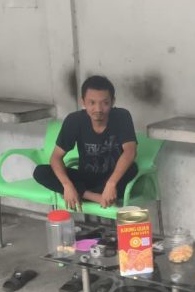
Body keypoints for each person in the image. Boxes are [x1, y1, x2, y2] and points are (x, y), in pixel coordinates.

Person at [33, 75, 138, 210]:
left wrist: (111, 183)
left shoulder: (122, 116)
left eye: (105, 103)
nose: (98, 109)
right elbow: (56, 158)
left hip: (113, 178)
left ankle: (87, 193)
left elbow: (130, 151)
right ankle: (94, 197)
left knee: (132, 168)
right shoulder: (74, 120)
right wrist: (67, 185)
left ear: (113, 101)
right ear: (83, 102)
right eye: (92, 103)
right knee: (40, 172)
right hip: (86, 178)